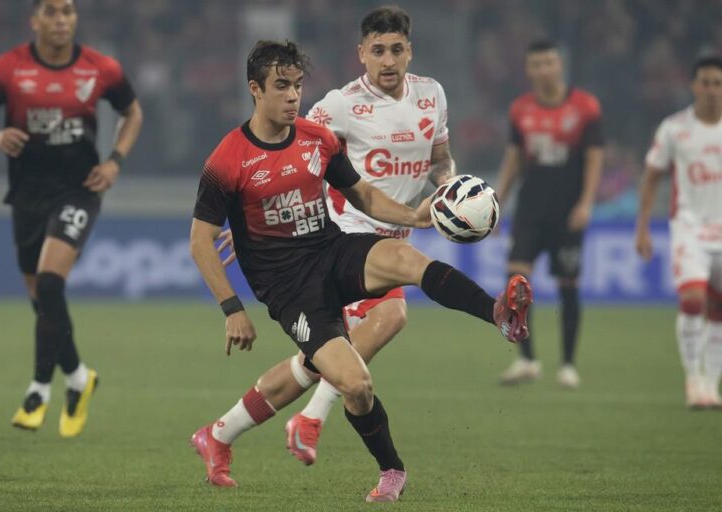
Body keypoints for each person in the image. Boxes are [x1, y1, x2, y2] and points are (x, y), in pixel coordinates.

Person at [189, 39, 531, 503]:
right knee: (354, 383)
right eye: (281, 86)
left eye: (297, 85)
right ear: (255, 89)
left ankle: (499, 315)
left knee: (407, 260)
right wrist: (232, 308)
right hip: (290, 289)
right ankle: (391, 468)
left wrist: (415, 217)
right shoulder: (228, 159)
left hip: (332, 250)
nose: (293, 96)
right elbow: (199, 240)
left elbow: (363, 196)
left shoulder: (316, 138)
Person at [217, 5, 457, 466]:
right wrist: (252, 212)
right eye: (379, 50)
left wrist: (449, 187)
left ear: (410, 52)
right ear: (362, 54)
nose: (389, 60)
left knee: (315, 360)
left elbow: (441, 159)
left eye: (397, 50)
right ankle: (312, 418)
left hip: (395, 233)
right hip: (346, 231)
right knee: (391, 318)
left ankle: (220, 432)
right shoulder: (340, 103)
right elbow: (289, 148)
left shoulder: (432, 95)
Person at [0, 0, 142, 436]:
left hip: (79, 190)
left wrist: (115, 159)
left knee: (52, 282)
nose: (62, 20)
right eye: (53, 12)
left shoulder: (101, 68)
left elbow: (131, 112)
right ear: (35, 20)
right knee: (43, 301)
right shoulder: (8, 69)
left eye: (68, 12)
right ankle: (78, 377)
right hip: (26, 197)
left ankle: (39, 387)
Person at [494, 39, 604, 388]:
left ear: (560, 65)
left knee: (567, 285)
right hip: (529, 210)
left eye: (549, 63)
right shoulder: (520, 110)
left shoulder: (585, 108)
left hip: (567, 213)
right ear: (528, 70)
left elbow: (594, 157)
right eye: (536, 64)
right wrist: (498, 201)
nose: (543, 70)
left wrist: (586, 202)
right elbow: (514, 158)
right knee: (516, 283)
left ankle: (568, 364)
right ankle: (528, 361)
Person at [636, 55, 722, 409]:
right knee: (693, 300)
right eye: (705, 82)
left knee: (718, 311)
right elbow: (653, 176)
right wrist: (642, 227)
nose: (712, 90)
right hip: (689, 229)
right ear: (693, 85)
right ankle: (693, 378)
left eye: (718, 83)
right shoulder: (674, 128)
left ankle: (710, 385)